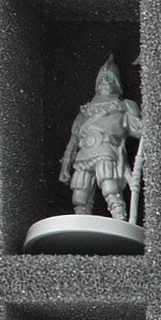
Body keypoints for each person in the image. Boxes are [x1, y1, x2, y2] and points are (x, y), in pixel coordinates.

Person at [57, 56, 140, 220]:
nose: (105, 82)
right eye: (102, 79)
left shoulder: (124, 107)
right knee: (80, 197)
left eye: (109, 79)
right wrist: (65, 166)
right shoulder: (85, 111)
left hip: (106, 151)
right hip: (84, 154)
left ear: (116, 82)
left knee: (110, 189)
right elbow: (73, 141)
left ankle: (119, 220)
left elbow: (138, 130)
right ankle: (82, 225)